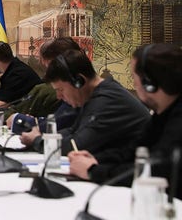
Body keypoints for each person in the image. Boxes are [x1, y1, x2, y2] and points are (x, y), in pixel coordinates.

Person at [69, 44, 182, 198]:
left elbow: (157, 171)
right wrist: (95, 159)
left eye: (134, 78)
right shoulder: (162, 113)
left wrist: (93, 171)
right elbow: (133, 150)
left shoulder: (177, 120)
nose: (134, 84)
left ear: (150, 84)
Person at [20, 49, 150, 155]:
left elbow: (77, 145)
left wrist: (38, 140)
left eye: (61, 89)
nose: (59, 96)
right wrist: (43, 136)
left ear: (79, 81)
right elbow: (73, 130)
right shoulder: (96, 95)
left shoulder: (107, 101)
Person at [7, 37, 83, 134]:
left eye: (50, 67)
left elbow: (58, 124)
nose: (48, 74)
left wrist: (19, 119)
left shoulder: (75, 89)